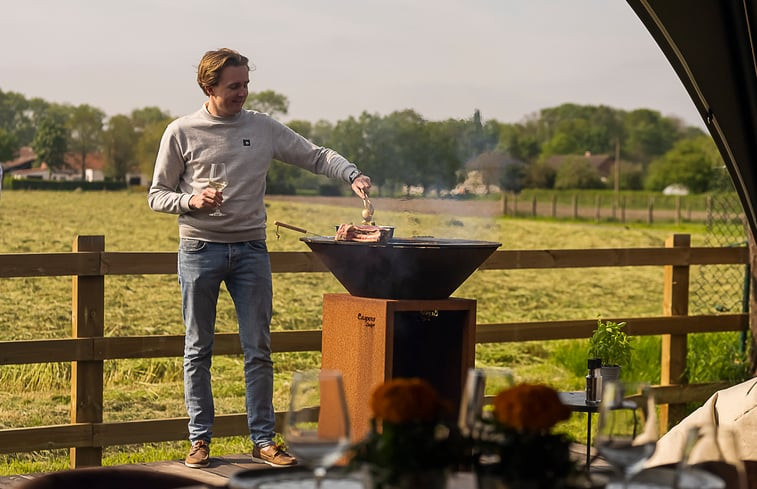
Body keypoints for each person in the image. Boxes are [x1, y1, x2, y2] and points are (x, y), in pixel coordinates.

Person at [148, 48, 372, 469]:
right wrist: (191, 200)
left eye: (246, 84)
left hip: (251, 250)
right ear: (208, 87)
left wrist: (351, 173)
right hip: (199, 250)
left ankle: (264, 440)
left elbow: (316, 155)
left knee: (259, 349)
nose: (243, 93)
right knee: (198, 348)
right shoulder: (180, 131)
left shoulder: (262, 128)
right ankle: (199, 440)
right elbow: (156, 194)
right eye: (234, 86)